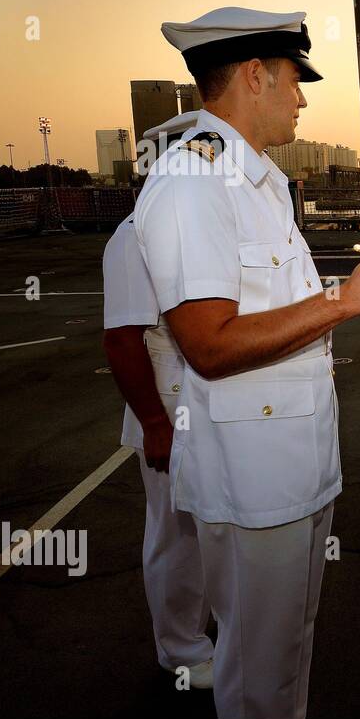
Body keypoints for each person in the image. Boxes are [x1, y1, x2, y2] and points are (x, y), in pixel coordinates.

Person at [134, 6, 360, 719]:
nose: (303, 98)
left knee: (284, 657)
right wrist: (340, 303)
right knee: (256, 675)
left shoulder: (260, 184)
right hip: (254, 486)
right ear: (255, 76)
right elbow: (209, 343)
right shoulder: (193, 182)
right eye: (293, 80)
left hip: (294, 468)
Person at [104, 122, 214, 688]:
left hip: (209, 402)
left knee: (209, 525)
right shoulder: (134, 233)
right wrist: (154, 424)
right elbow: (122, 340)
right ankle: (181, 651)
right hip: (169, 407)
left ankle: (202, 626)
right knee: (176, 534)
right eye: (202, 158)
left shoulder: (195, 228)